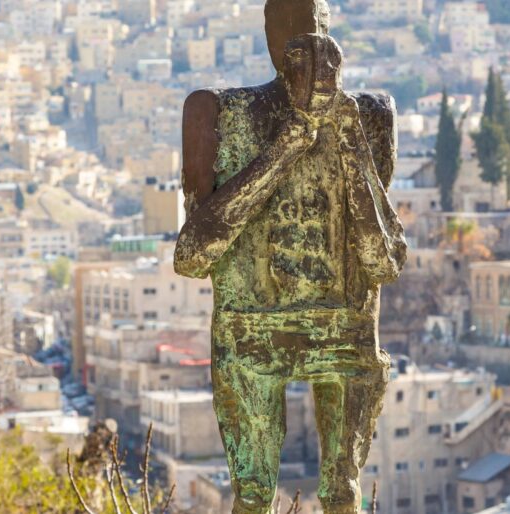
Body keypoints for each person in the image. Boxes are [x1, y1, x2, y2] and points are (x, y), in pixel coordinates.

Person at [173, 1, 406, 512]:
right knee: (253, 497)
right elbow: (193, 255)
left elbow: (383, 260)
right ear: (268, 33)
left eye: (314, 26)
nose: (303, 41)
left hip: (344, 330)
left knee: (342, 494)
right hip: (250, 331)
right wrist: (290, 141)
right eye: (288, 25)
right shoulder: (217, 112)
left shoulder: (366, 115)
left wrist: (342, 131)